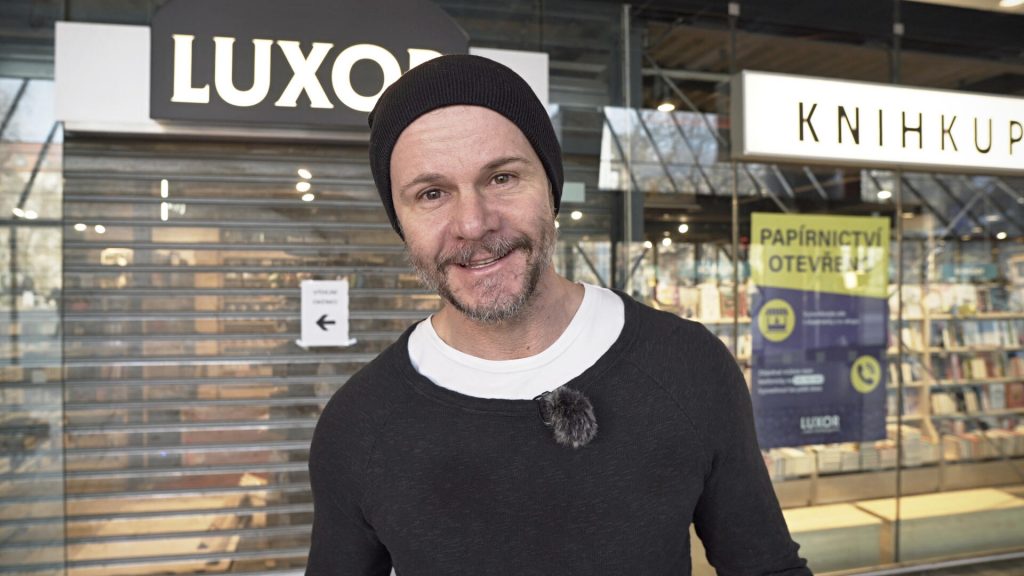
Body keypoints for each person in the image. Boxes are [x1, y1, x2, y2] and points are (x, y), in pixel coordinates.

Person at [306, 54, 811, 576]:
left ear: (551, 187)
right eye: (431, 194)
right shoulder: (358, 425)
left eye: (502, 177)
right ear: (400, 220)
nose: (473, 224)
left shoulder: (686, 365)